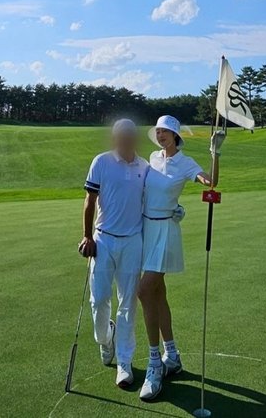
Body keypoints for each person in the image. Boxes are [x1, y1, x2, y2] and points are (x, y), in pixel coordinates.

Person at [138, 115, 225, 401]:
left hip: (166, 231)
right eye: (158, 131)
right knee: (158, 294)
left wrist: (215, 153)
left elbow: (210, 182)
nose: (161, 135)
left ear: (176, 135)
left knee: (144, 291)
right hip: (146, 229)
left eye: (166, 131)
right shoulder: (152, 158)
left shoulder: (185, 163)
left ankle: (154, 363)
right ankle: (172, 355)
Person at [78, 118, 149, 388]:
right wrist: (87, 236)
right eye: (120, 135)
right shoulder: (101, 161)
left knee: (128, 302)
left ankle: (124, 362)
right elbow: (90, 200)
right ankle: (105, 338)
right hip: (103, 239)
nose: (124, 139)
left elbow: (153, 199)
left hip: (132, 241)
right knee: (99, 300)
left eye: (129, 135)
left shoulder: (144, 167)